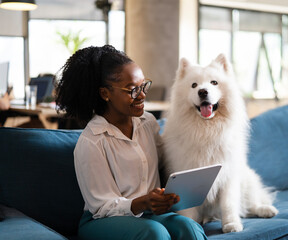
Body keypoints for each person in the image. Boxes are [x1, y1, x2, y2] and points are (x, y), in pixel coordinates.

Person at [55, 45, 207, 240]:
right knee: (154, 233)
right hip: (103, 219)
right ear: (105, 93)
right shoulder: (92, 142)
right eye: (132, 90)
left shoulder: (148, 123)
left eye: (143, 86)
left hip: (150, 214)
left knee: (189, 228)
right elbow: (102, 206)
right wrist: (143, 202)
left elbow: (166, 159)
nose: (142, 95)